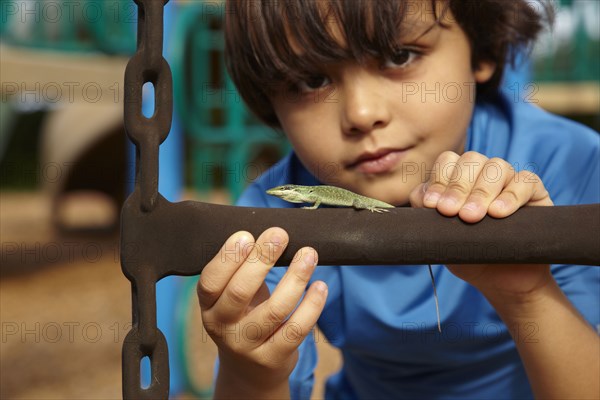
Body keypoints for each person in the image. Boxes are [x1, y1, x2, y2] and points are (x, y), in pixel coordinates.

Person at [196, 1, 600, 398]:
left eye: (400, 55)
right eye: (310, 81)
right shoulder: (271, 216)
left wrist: (528, 294)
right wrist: (251, 372)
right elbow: (259, 375)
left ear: (482, 50)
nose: (361, 112)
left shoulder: (568, 161)